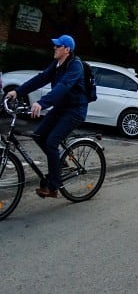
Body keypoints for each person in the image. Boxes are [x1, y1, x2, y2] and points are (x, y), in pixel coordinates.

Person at [4, 34, 89, 198]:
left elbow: (64, 86)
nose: (54, 48)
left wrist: (42, 103)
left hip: (75, 111)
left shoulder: (75, 66)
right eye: (55, 45)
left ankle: (53, 186)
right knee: (38, 135)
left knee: (51, 142)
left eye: (58, 46)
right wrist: (17, 91)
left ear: (67, 50)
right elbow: (41, 78)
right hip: (61, 108)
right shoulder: (57, 64)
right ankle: (61, 165)